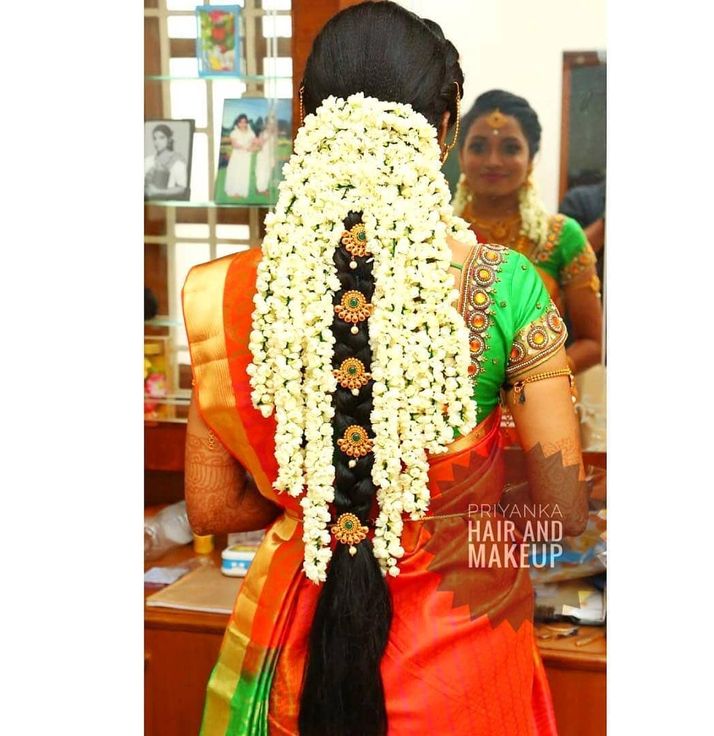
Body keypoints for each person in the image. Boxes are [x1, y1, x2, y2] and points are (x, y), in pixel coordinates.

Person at [182, 3, 588, 735]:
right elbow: (561, 510)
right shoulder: (506, 285)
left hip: (290, 653)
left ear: (306, 118)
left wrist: (325, 509)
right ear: (444, 127)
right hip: (464, 653)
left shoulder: (231, 291)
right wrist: (454, 516)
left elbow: (212, 509)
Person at [453, 90, 602, 376]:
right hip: (453, 409)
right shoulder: (438, 235)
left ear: (531, 159)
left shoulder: (561, 236)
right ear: (461, 156)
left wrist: (540, 378)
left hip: (537, 409)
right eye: (479, 147)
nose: (493, 161)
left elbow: (593, 342)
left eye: (510, 148)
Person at [144, 123, 188, 200]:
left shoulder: (177, 162)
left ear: (169, 139)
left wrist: (158, 191)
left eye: (161, 138)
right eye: (155, 138)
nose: (157, 142)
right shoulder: (148, 160)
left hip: (166, 203)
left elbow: (182, 189)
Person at [224, 114, 256, 198]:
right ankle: (233, 192)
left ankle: (242, 192)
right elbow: (234, 145)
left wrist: (251, 148)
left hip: (246, 157)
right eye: (241, 122)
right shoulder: (234, 133)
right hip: (237, 156)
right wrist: (245, 147)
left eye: (245, 122)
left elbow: (254, 144)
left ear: (247, 123)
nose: (243, 124)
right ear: (238, 123)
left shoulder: (251, 133)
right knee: (235, 172)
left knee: (244, 173)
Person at [255, 114, 278, 195]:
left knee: (267, 172)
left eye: (272, 124)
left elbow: (274, 145)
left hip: (270, 155)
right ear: (266, 124)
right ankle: (259, 188)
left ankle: (264, 188)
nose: (270, 126)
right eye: (269, 124)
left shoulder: (274, 134)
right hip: (262, 154)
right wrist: (268, 135)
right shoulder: (262, 133)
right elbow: (260, 144)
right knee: (261, 171)